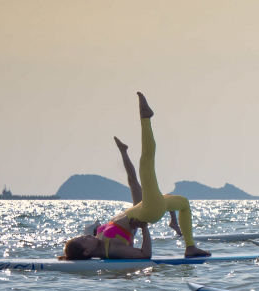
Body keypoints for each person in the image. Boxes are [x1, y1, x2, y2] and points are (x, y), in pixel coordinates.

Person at [60, 93, 210, 260]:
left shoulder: (100, 240)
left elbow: (131, 180)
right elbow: (145, 255)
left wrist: (123, 153)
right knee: (146, 164)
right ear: (86, 252)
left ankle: (190, 247)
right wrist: (144, 227)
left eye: (84, 236)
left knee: (183, 203)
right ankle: (145, 119)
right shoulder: (111, 250)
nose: (87, 236)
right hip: (147, 211)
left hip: (142, 207)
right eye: (84, 239)